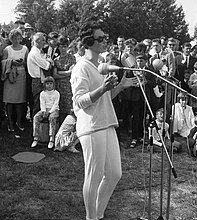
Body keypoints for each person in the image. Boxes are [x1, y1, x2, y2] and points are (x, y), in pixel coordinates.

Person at [70, 21, 138, 220]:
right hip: (91, 126)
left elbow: (105, 97)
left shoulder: (101, 66)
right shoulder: (81, 68)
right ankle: (91, 217)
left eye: (105, 38)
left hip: (107, 122)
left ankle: (98, 214)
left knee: (115, 173)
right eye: (100, 39)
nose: (104, 41)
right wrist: (103, 88)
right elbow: (79, 101)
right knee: (94, 175)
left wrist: (120, 86)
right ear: (88, 42)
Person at [1, 29, 29, 131]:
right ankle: (10, 123)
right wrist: (11, 62)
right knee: (9, 100)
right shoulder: (7, 49)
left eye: (18, 38)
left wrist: (22, 63)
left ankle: (19, 121)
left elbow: (27, 62)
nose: (16, 40)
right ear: (11, 39)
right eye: (14, 38)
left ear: (21, 38)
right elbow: (3, 62)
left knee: (20, 100)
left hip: (21, 75)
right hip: (10, 76)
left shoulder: (25, 49)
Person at [27, 32, 54, 117]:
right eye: (43, 40)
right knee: (38, 103)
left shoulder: (38, 52)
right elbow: (47, 66)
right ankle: (36, 123)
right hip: (37, 81)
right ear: (37, 41)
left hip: (40, 80)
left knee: (42, 102)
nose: (44, 42)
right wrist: (49, 61)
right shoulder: (35, 54)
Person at [31, 76, 60, 149]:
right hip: (45, 109)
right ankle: (36, 137)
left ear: (53, 84)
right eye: (47, 84)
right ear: (44, 85)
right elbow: (42, 104)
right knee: (36, 117)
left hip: (54, 110)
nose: (49, 85)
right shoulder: (42, 93)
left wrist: (50, 112)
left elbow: (55, 104)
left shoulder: (56, 93)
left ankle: (51, 138)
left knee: (52, 118)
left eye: (51, 83)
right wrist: (44, 111)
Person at [53, 36, 76, 120]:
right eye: (61, 46)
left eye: (65, 46)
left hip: (69, 88)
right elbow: (54, 75)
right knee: (60, 110)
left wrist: (60, 72)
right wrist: (66, 74)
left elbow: (72, 72)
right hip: (59, 88)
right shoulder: (56, 60)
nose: (63, 48)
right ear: (58, 47)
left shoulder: (72, 58)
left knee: (70, 110)